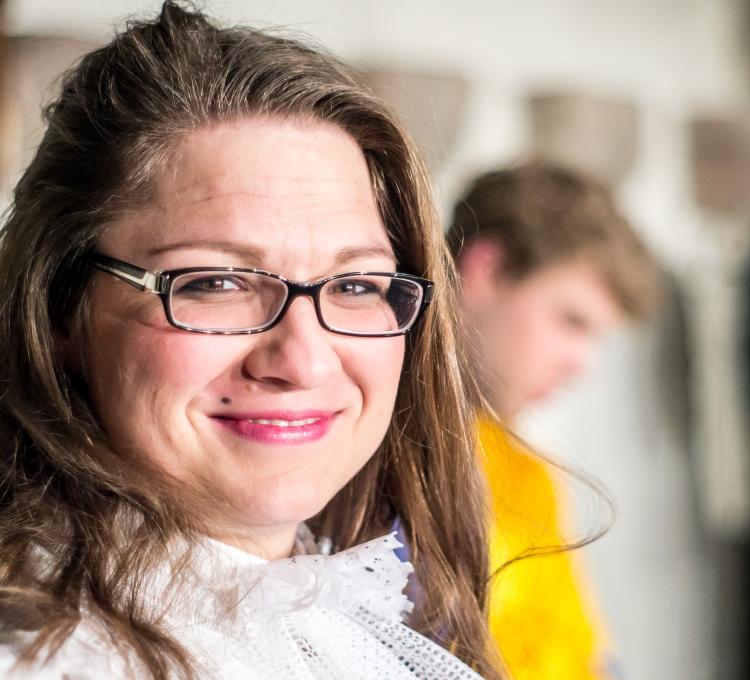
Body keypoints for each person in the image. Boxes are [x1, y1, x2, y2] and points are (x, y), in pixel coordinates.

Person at [0, 3, 501, 679]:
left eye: (356, 285)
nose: (303, 360)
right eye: (217, 282)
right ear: (60, 307)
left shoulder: (361, 627)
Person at [448, 163, 658, 679]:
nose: (580, 364)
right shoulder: (363, 456)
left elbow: (593, 662)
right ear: (487, 271)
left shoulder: (530, 477)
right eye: (571, 320)